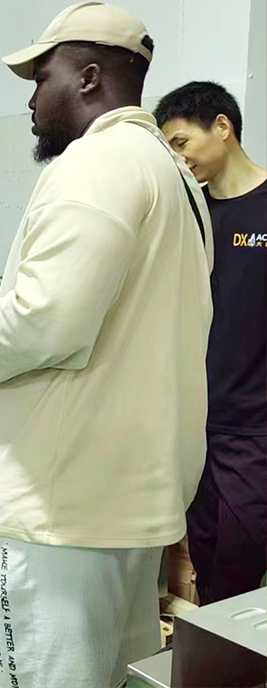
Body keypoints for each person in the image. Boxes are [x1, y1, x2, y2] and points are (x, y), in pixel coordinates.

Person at [0, 2, 213, 688]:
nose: (32, 101)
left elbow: (43, 325)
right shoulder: (175, 176)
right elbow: (113, 315)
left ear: (89, 78)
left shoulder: (95, 163)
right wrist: (11, 302)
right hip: (127, 506)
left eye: (42, 79)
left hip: (54, 516)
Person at [155, 81, 266, 604]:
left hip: (256, 431)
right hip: (196, 426)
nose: (179, 159)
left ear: (222, 127)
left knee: (242, 573)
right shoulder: (188, 215)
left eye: (181, 142)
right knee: (208, 567)